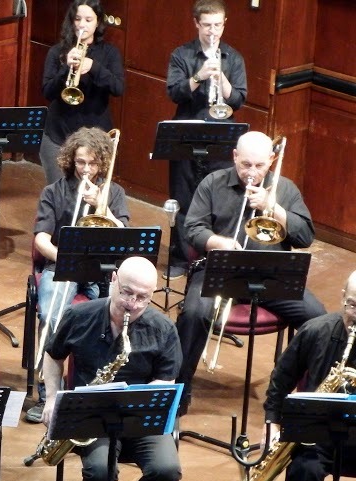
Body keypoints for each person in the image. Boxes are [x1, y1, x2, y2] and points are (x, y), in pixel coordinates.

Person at [176, 131, 326, 415]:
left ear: (271, 160)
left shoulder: (286, 189)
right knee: (194, 314)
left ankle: (302, 396)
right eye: (246, 164)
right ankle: (177, 394)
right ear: (235, 157)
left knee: (318, 319)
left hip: (272, 275)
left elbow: (305, 236)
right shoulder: (213, 183)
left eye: (259, 165)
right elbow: (193, 228)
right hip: (220, 268)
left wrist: (275, 209)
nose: (252, 172)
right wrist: (218, 242)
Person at [40, 256, 182, 481]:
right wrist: (50, 398)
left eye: (142, 297)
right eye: (127, 292)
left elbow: (165, 380)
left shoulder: (163, 329)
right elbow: (53, 355)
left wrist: (139, 401)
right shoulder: (79, 316)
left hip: (140, 417)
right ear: (114, 279)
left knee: (166, 470)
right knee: (100, 471)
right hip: (92, 416)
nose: (132, 303)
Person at [25, 126, 129, 423]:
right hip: (61, 268)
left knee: (107, 324)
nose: (86, 169)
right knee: (53, 316)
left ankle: (90, 391)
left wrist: (101, 207)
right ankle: (48, 393)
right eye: (81, 162)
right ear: (71, 159)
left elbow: (123, 234)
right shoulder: (53, 191)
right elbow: (41, 240)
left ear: (102, 163)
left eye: (93, 163)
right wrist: (66, 257)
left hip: (101, 272)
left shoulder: (114, 193)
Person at [164, 0, 247, 279]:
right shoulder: (182, 54)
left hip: (221, 140)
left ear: (224, 24)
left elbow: (238, 99)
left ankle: (214, 256)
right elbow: (174, 92)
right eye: (207, 25)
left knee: (218, 201)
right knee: (183, 198)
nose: (213, 31)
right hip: (186, 137)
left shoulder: (233, 58)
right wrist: (199, 76)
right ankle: (180, 258)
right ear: (196, 24)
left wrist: (221, 78)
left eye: (218, 25)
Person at [261, 270, 356, 480]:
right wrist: (272, 423)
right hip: (317, 439)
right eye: (353, 305)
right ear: (342, 297)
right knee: (303, 469)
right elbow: (281, 380)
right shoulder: (316, 330)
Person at [39, 0, 124, 185]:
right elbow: (47, 91)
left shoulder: (110, 53)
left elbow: (118, 88)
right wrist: (65, 68)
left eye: (88, 20)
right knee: (59, 193)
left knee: (90, 194)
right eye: (77, 19)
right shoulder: (57, 52)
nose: (82, 25)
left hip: (95, 136)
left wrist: (94, 67)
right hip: (59, 135)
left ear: (98, 22)